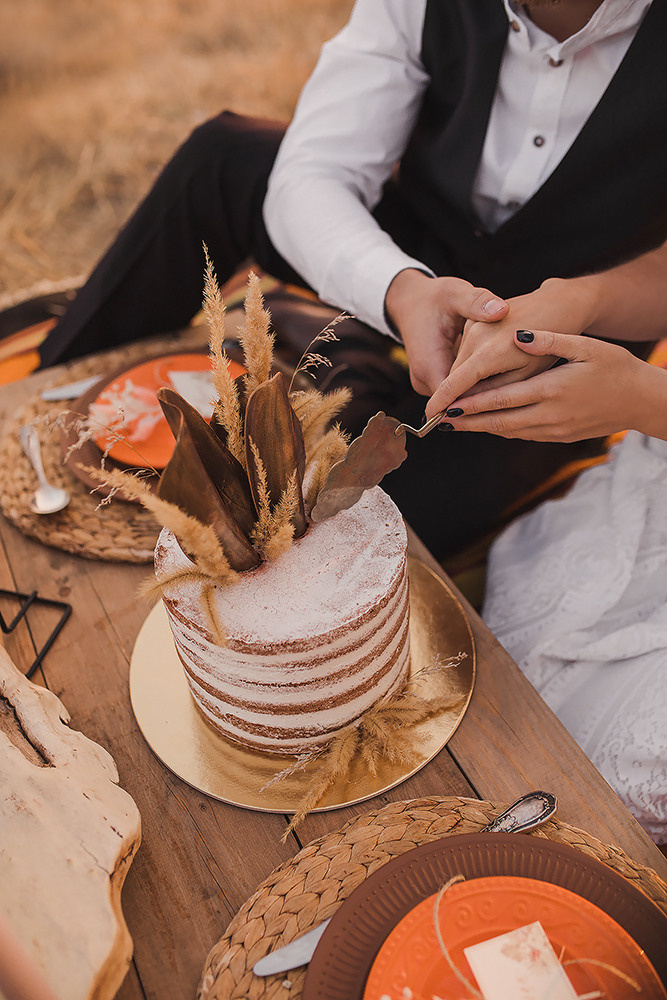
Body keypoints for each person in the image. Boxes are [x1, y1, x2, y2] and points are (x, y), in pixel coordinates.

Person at [38, 0, 667, 560]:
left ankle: (358, 372)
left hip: (575, 339)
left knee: (346, 533)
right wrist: (400, 289)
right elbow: (313, 171)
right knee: (223, 157)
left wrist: (584, 299)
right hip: (420, 253)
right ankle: (35, 420)